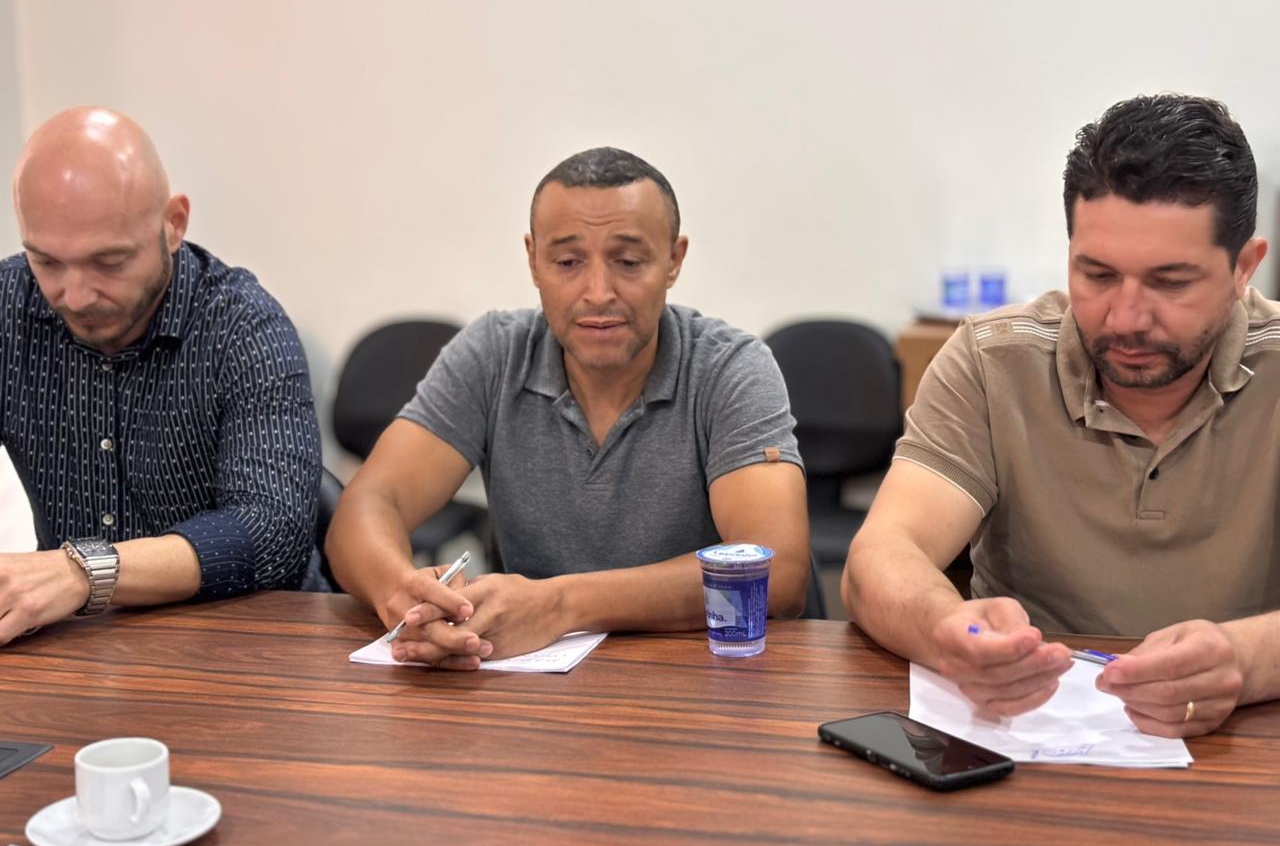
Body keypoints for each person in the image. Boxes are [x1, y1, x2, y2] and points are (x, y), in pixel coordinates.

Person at [843, 93, 1280, 737]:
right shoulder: (993, 361)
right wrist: (951, 633)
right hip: (1031, 731)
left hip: (1247, 745)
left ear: (1244, 267)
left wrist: (1248, 659)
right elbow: (882, 555)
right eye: (1097, 275)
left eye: (1170, 282)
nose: (1126, 318)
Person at [327, 146, 808, 668]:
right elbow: (368, 505)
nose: (597, 292)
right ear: (533, 260)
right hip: (524, 680)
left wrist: (561, 604)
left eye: (628, 262)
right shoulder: (494, 355)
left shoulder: (730, 368)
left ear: (674, 260)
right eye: (567, 263)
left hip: (696, 675)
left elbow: (776, 572)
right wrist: (406, 595)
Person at [0, 106, 321, 643]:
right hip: (76, 645)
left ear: (173, 224)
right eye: (47, 262)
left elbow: (271, 530)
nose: (74, 296)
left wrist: (83, 572)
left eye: (109, 262)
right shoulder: (7, 307)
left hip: (244, 642)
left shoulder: (243, 326)